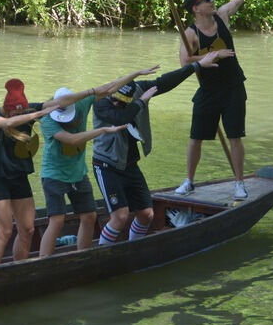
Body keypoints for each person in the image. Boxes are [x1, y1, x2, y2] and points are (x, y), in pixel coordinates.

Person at [175, 0, 273, 200]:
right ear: (196, 9)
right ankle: (189, 181)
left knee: (235, 137)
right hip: (208, 91)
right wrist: (212, 55)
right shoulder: (190, 33)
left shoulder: (222, 16)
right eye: (206, 0)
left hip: (233, 88)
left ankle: (239, 183)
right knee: (195, 138)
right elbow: (184, 63)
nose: (212, 2)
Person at [92, 53, 220, 245]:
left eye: (122, 101)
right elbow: (121, 119)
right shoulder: (101, 103)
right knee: (120, 217)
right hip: (107, 165)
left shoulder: (138, 90)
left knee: (146, 213)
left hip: (130, 164)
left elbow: (165, 82)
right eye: (115, 100)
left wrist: (197, 66)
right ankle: (101, 256)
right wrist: (141, 101)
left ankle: (134, 248)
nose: (117, 104)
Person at [38, 66, 159, 258]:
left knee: (89, 216)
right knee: (57, 220)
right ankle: (43, 263)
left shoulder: (83, 104)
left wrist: (135, 74)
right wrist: (102, 131)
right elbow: (72, 140)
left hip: (78, 174)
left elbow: (109, 88)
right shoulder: (47, 120)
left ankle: (84, 258)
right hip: (54, 175)